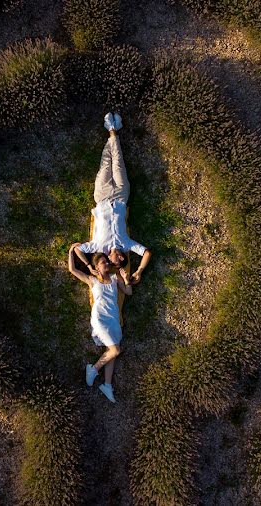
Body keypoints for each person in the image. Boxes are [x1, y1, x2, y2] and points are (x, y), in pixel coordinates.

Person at [71, 112, 152, 285]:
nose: (121, 257)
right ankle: (113, 131)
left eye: (118, 261)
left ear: (109, 259)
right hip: (122, 196)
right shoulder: (126, 244)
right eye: (124, 259)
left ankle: (112, 131)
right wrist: (139, 271)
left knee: (105, 164)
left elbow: (77, 249)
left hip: (101, 197)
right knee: (118, 163)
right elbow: (146, 253)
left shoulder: (97, 246)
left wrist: (88, 265)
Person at [68, 247, 132, 403]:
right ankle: (94, 369)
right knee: (116, 350)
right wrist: (71, 251)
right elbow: (73, 269)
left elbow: (129, 292)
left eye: (106, 261)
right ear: (97, 267)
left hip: (114, 319)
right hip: (100, 319)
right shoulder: (93, 280)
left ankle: (107, 385)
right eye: (103, 262)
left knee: (111, 351)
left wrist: (126, 279)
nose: (106, 264)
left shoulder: (115, 278)